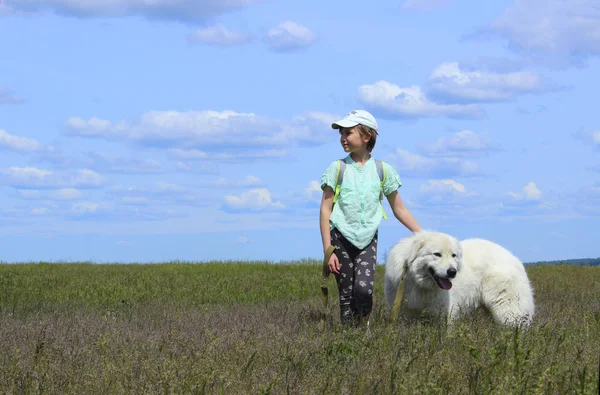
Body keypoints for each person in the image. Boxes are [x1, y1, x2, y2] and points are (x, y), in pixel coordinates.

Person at [319, 109, 422, 326]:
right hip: (340, 239)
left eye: (348, 133)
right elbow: (325, 209)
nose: (343, 138)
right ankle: (350, 342)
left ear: (366, 137)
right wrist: (328, 251)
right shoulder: (337, 168)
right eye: (341, 134)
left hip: (367, 240)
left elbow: (399, 208)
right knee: (346, 295)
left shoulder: (383, 170)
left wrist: (423, 236)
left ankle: (362, 330)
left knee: (364, 291)